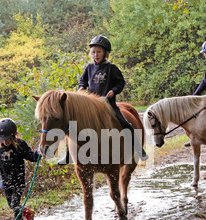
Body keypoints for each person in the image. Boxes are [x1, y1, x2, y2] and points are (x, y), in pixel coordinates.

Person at [57, 35, 147, 165]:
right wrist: (81, 87)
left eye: (99, 52)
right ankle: (68, 155)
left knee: (126, 124)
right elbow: (82, 80)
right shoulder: (89, 67)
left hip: (107, 104)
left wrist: (114, 91)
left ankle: (139, 149)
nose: (96, 55)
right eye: (93, 52)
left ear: (105, 53)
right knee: (72, 126)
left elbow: (121, 83)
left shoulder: (111, 68)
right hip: (90, 105)